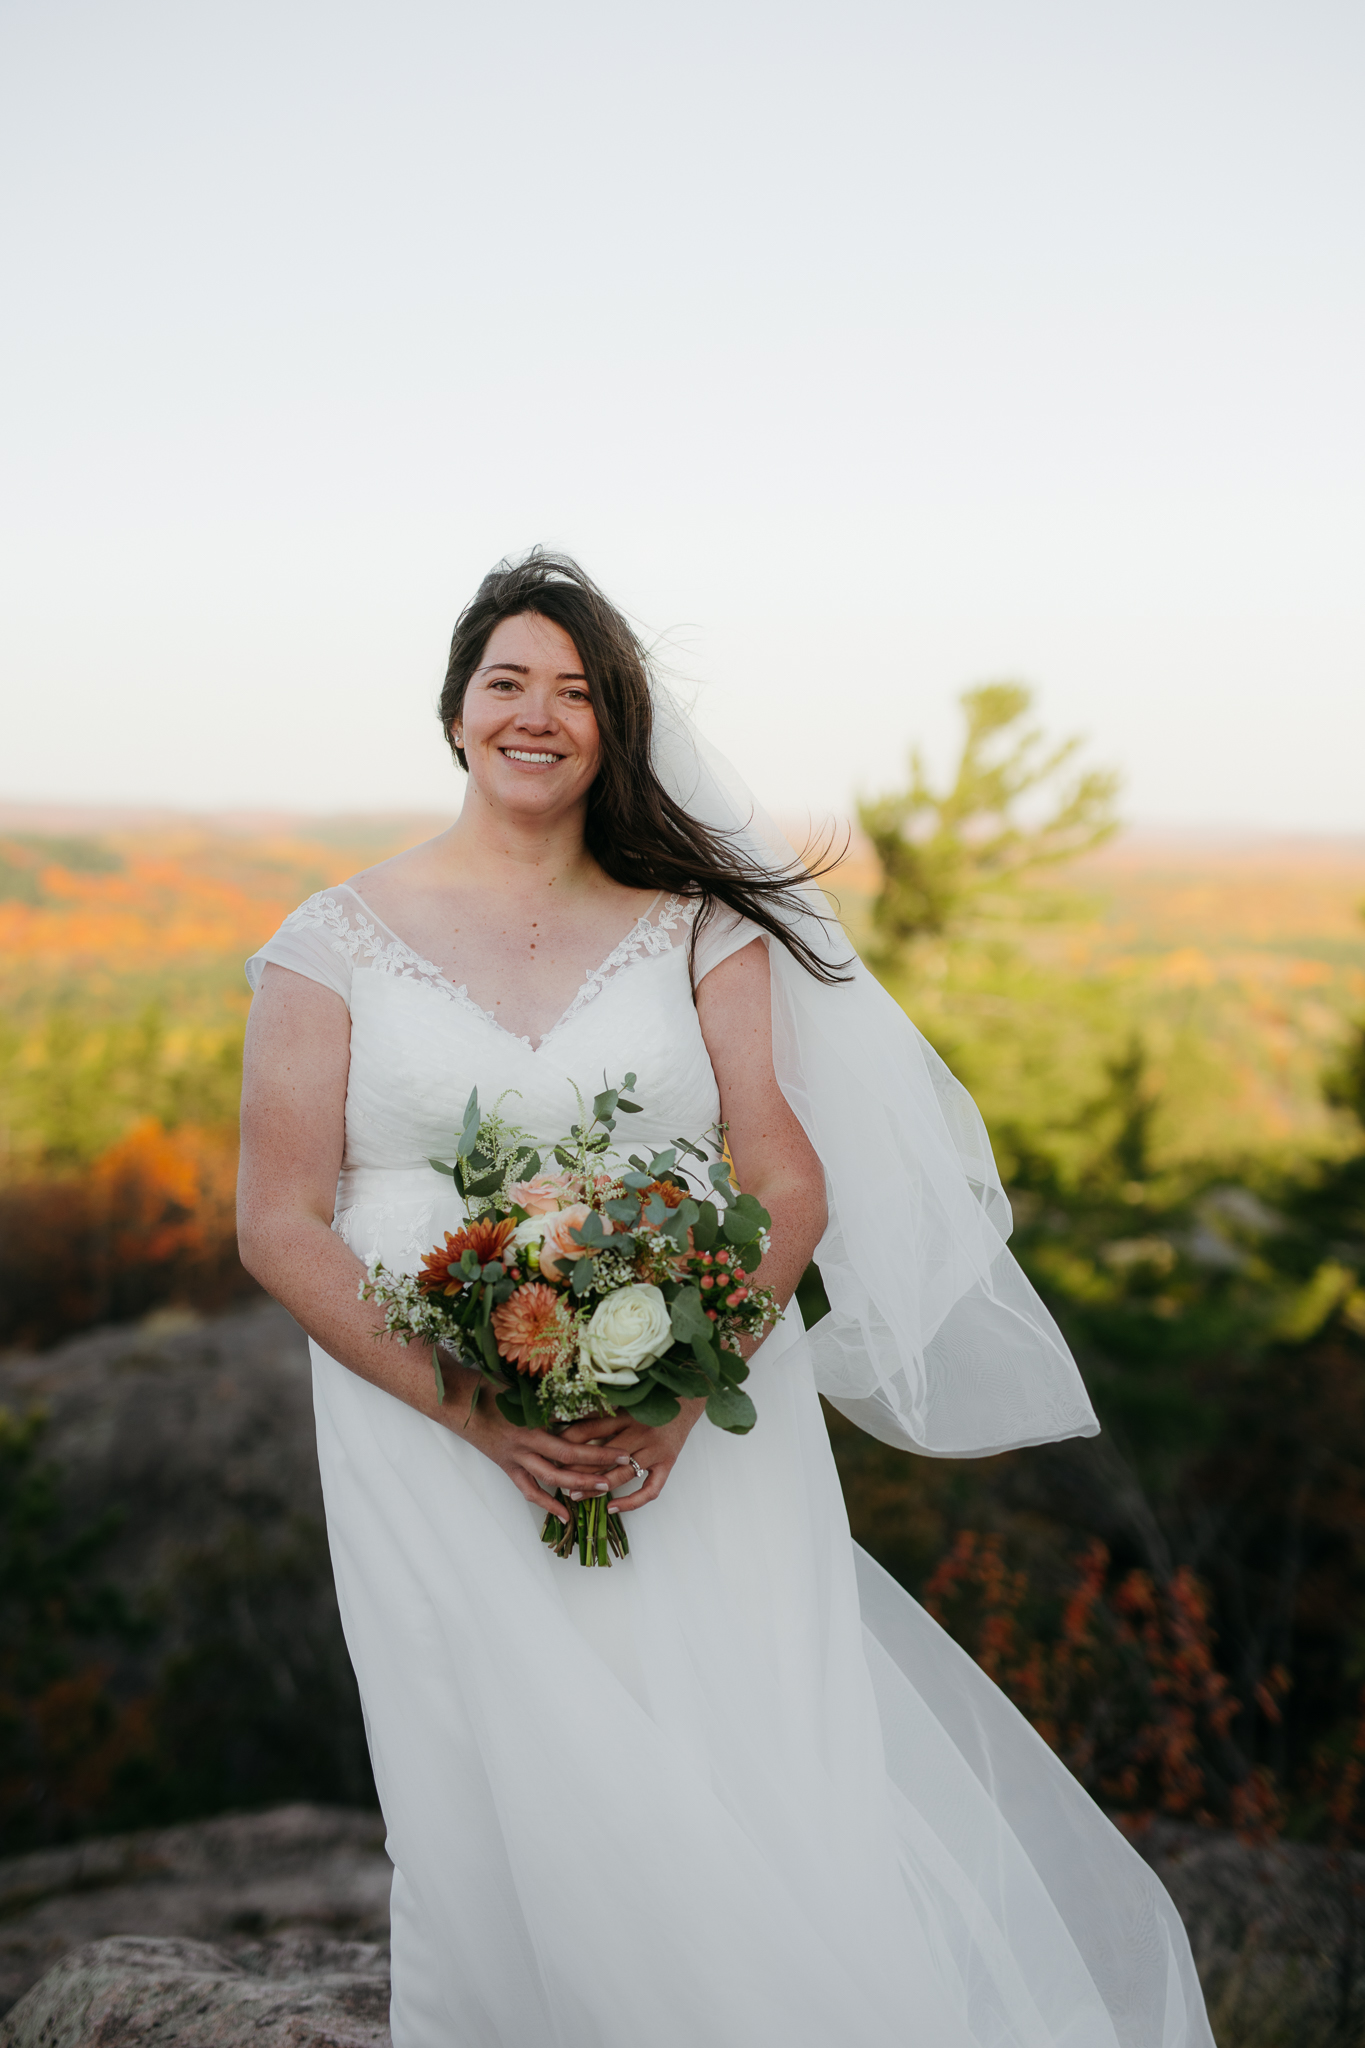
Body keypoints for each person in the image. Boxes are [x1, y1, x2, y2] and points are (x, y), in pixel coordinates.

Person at [237, 551, 1214, 2048]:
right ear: (453, 713)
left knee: (740, 1759)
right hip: (426, 1420)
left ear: (614, 731)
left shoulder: (696, 923)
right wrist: (486, 1415)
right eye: (508, 682)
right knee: (496, 1784)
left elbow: (785, 1178)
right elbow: (277, 1220)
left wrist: (687, 1388)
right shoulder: (329, 942)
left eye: (576, 693)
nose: (537, 715)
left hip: (687, 1418)